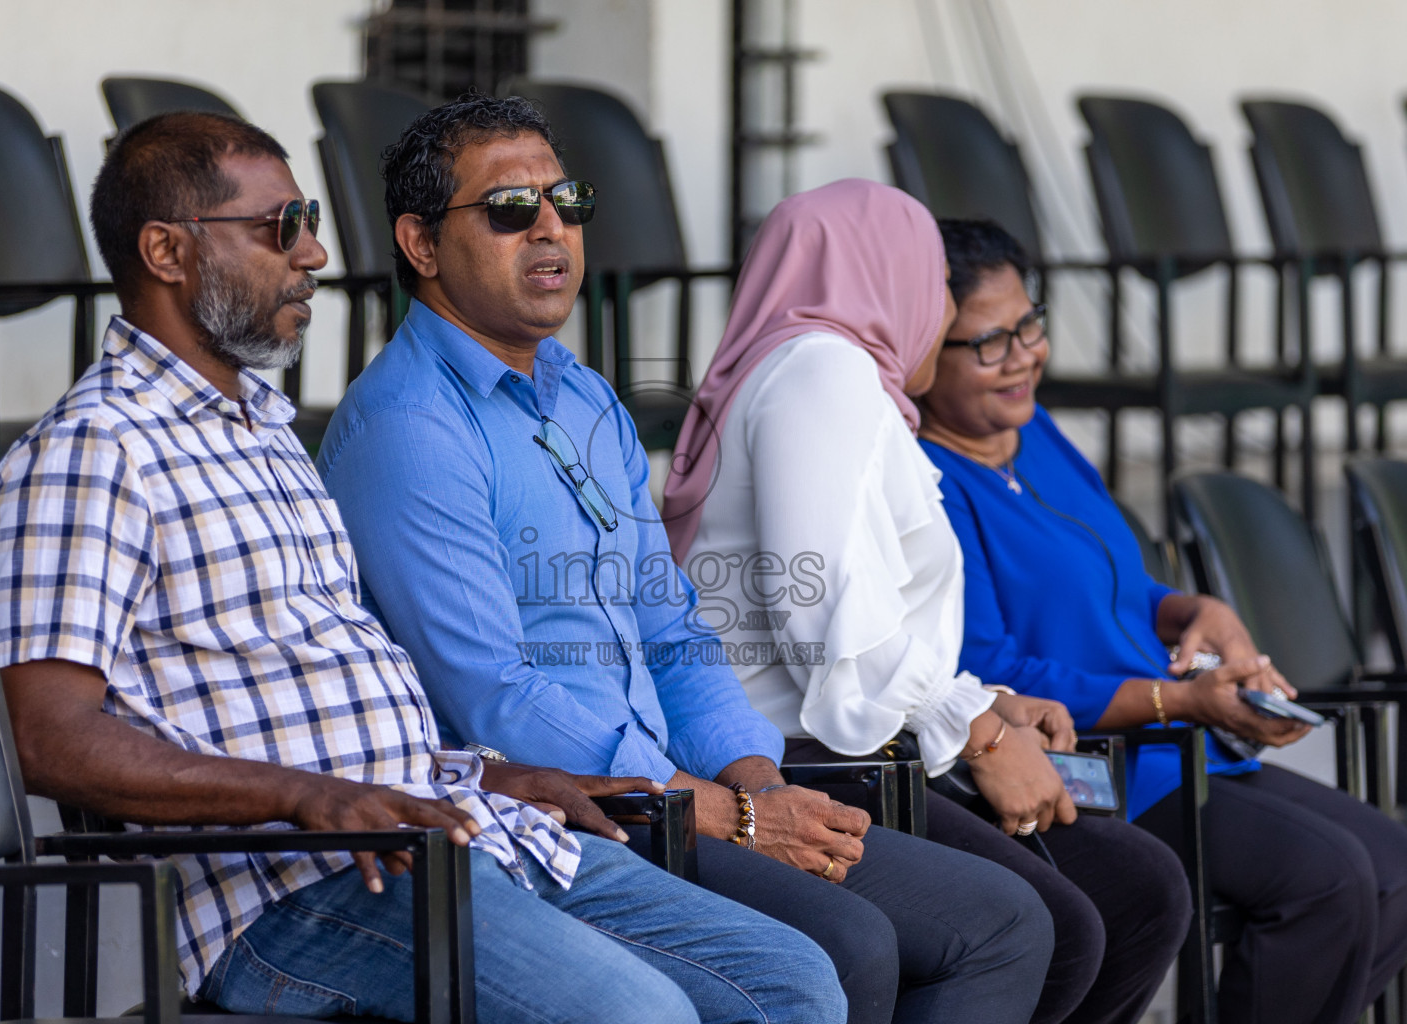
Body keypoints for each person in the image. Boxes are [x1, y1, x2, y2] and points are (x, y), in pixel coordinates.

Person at [0, 110, 848, 1024]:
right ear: (166, 250)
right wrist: (308, 797)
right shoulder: (94, 451)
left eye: (308, 221)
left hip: (436, 826)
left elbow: (332, 702)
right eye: (281, 227)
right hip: (284, 892)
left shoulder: (265, 433)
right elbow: (46, 736)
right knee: (638, 1016)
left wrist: (490, 776)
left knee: (789, 980)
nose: (313, 252)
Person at [318, 95, 1055, 1024]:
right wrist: (716, 811)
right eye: (510, 210)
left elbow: (670, 627)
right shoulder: (410, 428)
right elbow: (494, 697)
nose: (551, 231)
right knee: (853, 946)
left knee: (1004, 920)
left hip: (677, 786)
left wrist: (752, 776)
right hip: (570, 813)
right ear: (421, 244)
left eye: (567, 201)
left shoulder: (584, 399)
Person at [663, 179, 1191, 1024]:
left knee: (1136, 889)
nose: (942, 309)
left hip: (869, 736)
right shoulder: (821, 374)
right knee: (1058, 920)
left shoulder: (826, 376)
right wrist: (977, 732)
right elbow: (831, 620)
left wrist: (986, 704)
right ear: (885, 274)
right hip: (816, 755)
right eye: (936, 280)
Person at [916, 217, 1407, 1024]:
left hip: (1178, 743)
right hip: (1098, 763)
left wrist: (1195, 609)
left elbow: (1123, 582)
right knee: (1327, 882)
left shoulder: (1034, 433)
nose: (1024, 356)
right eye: (990, 342)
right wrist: (1178, 702)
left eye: (1030, 325)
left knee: (1402, 870)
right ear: (922, 351)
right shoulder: (929, 483)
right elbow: (987, 669)